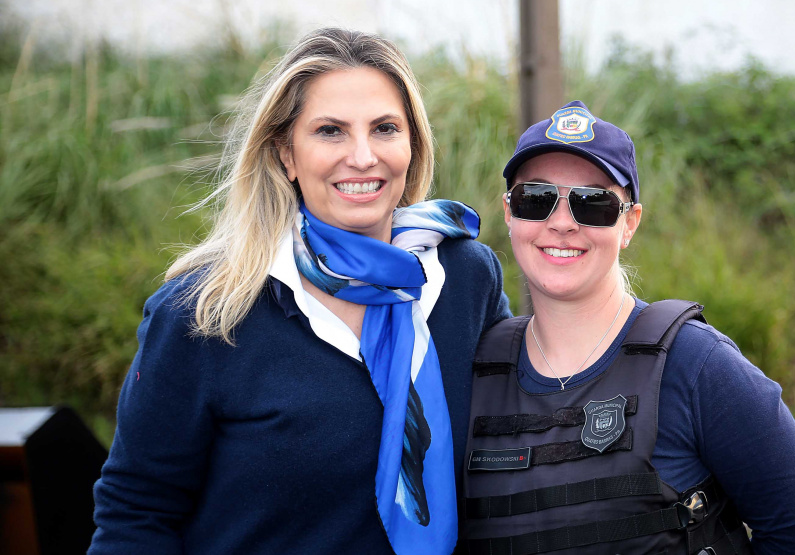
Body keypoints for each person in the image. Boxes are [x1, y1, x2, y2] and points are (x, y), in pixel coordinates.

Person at [89, 28, 510, 555]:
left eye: (384, 128)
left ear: (412, 145)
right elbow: (136, 513)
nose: (362, 156)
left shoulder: (465, 276)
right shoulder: (205, 312)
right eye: (330, 131)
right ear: (285, 155)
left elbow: (515, 449)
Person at [461, 101, 795, 555]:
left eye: (593, 204)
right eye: (535, 199)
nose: (561, 223)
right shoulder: (475, 367)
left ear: (629, 223)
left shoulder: (696, 365)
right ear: (509, 213)